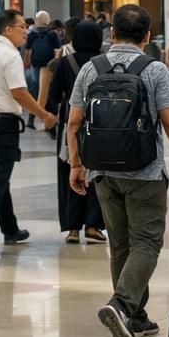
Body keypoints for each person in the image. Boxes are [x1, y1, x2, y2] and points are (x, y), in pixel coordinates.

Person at [67, 4, 169, 337]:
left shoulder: (90, 68)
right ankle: (122, 305)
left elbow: (73, 121)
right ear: (146, 35)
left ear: (111, 33)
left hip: (102, 171)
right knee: (146, 243)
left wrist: (75, 164)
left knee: (121, 245)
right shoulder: (154, 69)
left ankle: (137, 319)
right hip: (143, 171)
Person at [0, 9, 58, 255]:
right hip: (2, 125)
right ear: (8, 30)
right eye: (21, 27)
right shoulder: (9, 54)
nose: (25, 32)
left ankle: (10, 228)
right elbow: (19, 92)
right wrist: (44, 114)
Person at [43, 19, 107, 244]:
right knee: (96, 173)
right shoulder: (103, 62)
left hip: (70, 123)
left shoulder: (64, 62)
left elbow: (53, 95)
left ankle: (72, 228)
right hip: (99, 124)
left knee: (69, 170)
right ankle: (93, 225)